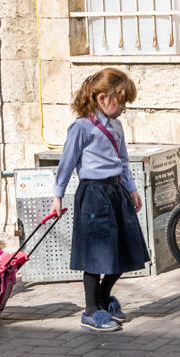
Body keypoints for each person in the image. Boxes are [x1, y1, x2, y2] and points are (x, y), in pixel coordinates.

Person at [52, 68, 149, 332]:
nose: (123, 109)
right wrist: (57, 196)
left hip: (116, 192)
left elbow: (124, 161)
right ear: (102, 98)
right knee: (96, 256)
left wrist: (131, 189)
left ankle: (104, 298)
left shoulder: (116, 126)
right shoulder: (81, 127)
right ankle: (90, 311)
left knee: (126, 249)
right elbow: (67, 163)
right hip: (93, 195)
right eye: (121, 101)